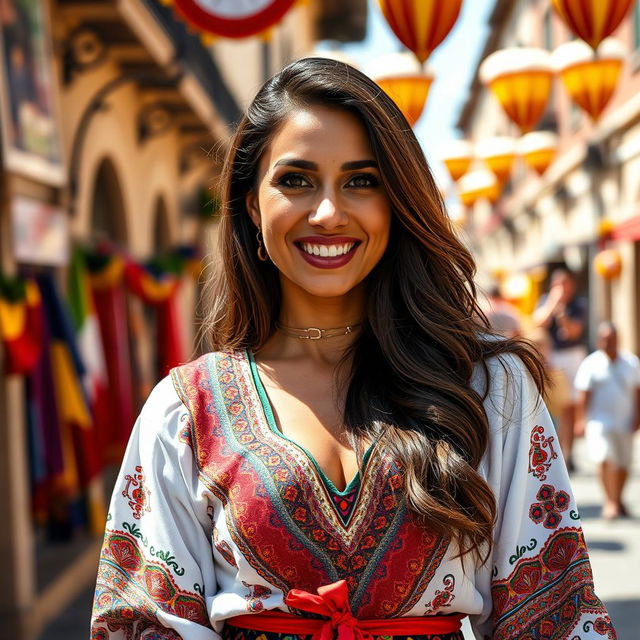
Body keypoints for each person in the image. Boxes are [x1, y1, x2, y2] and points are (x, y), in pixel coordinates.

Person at [90, 58, 615, 640]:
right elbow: (142, 623)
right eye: (296, 180)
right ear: (252, 205)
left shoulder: (490, 386)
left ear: (397, 204)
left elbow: (554, 614)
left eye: (362, 181)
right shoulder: (185, 412)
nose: (328, 213)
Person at [574, 322, 640, 520]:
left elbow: (637, 391)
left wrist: (637, 416)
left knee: (623, 465)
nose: (607, 343)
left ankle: (618, 499)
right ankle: (610, 502)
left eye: (611, 339)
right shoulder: (591, 363)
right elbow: (583, 394)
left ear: (618, 340)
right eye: (604, 339)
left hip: (624, 422)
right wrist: (581, 420)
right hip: (599, 422)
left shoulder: (631, 362)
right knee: (605, 458)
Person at [533, 268, 588, 468]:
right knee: (555, 406)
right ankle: (555, 451)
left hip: (572, 355)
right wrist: (553, 302)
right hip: (553, 357)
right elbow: (538, 322)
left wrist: (563, 315)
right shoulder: (545, 300)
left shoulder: (578, 304)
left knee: (571, 406)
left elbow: (573, 332)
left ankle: (569, 452)